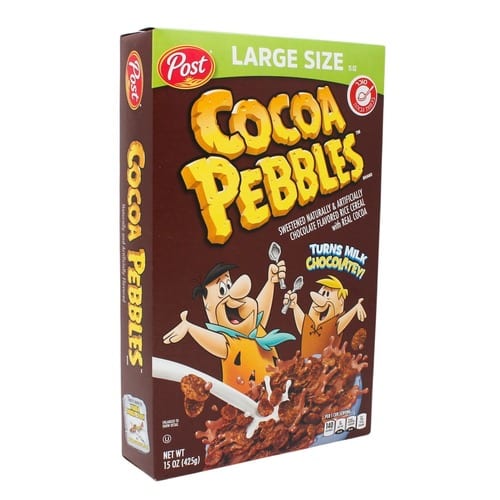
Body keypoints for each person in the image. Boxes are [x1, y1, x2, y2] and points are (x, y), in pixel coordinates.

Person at [163, 262, 295, 393]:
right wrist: (189, 327)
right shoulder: (230, 343)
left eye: (228, 285)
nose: (232, 294)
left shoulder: (255, 328)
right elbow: (211, 340)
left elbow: (259, 309)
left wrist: (270, 282)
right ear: (208, 308)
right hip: (243, 403)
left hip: (280, 395)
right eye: (222, 290)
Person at [283, 275, 366, 358]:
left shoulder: (335, 324)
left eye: (327, 294)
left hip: (326, 365)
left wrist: (356, 308)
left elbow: (343, 320)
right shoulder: (308, 321)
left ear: (340, 302)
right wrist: (295, 306)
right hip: (304, 363)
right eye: (322, 293)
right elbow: (303, 326)